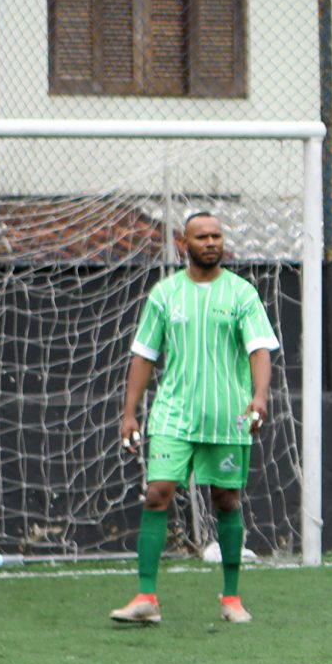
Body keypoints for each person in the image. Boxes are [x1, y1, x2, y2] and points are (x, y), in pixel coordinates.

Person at [110, 212, 278, 627]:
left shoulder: (242, 294)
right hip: (174, 415)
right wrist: (129, 412)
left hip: (228, 417)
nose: (211, 242)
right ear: (184, 244)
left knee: (226, 500)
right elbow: (144, 355)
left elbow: (259, 349)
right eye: (202, 236)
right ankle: (146, 597)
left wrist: (259, 396)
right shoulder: (165, 295)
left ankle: (232, 598)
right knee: (158, 493)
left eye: (217, 236)